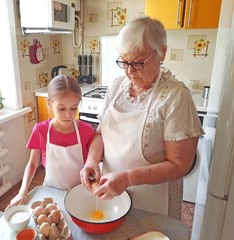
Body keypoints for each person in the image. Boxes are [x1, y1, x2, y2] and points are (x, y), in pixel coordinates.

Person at [80, 16, 204, 219]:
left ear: (162, 52)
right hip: (113, 195)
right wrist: (91, 161)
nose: (129, 71)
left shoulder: (175, 96)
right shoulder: (117, 86)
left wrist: (127, 178)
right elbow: (101, 133)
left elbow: (179, 165)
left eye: (138, 63)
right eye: (124, 62)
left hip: (154, 201)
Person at [6, 75, 94, 211]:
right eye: (61, 108)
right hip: (51, 191)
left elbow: (93, 162)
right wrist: (22, 191)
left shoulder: (86, 130)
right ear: (49, 103)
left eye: (74, 108)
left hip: (80, 191)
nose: (68, 115)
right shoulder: (41, 130)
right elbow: (33, 163)